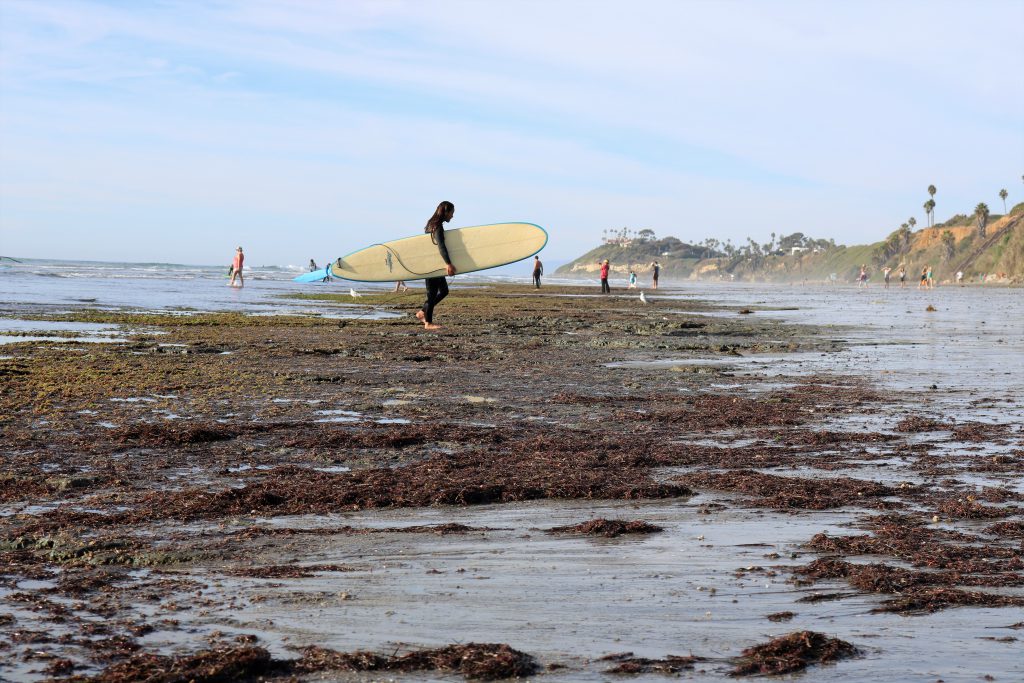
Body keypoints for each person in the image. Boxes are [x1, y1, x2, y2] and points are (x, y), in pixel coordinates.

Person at [415, 201, 456, 330]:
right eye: (451, 213)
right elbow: (441, 246)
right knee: (432, 293)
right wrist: (448, 263)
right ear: (446, 212)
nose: (452, 216)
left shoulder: (430, 224)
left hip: (433, 262)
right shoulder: (437, 226)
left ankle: (422, 312)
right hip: (433, 264)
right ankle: (428, 323)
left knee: (443, 291)